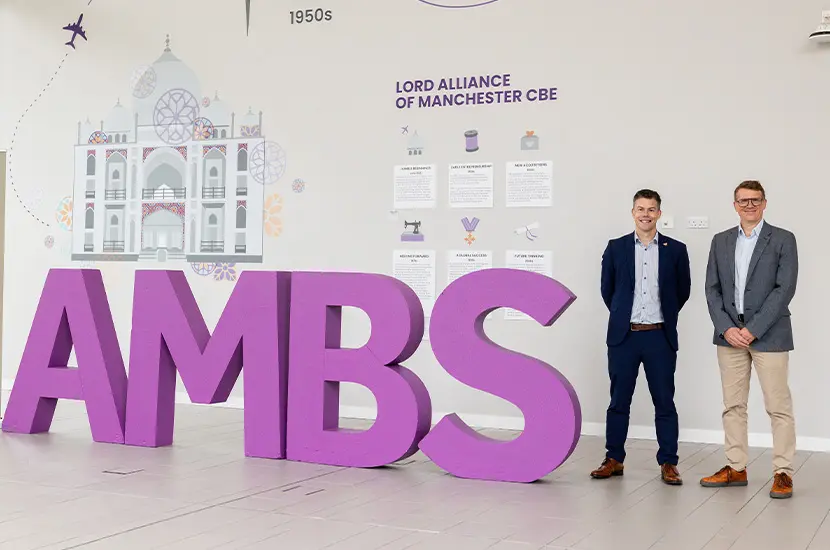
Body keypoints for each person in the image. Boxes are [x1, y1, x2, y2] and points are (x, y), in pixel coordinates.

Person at [701, 180, 798, 499]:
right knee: (733, 405)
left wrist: (753, 329)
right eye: (743, 201)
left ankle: (783, 472)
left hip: (769, 334)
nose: (749, 205)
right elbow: (712, 289)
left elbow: (784, 289)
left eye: (755, 200)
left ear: (765, 203)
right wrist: (726, 327)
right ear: (735, 205)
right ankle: (736, 467)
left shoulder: (783, 239)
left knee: (778, 406)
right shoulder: (721, 241)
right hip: (729, 335)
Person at [591, 189, 691, 485]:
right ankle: (614, 458)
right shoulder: (616, 247)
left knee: (665, 400)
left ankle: (669, 462)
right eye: (640, 209)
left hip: (659, 337)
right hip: (624, 336)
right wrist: (625, 315)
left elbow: (681, 292)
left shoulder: (675, 249)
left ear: (659, 213)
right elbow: (607, 290)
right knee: (619, 400)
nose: (645, 214)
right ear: (632, 212)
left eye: (651, 209)